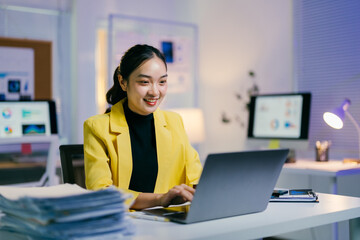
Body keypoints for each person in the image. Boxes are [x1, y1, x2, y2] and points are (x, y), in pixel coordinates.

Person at [83, 44, 203, 210]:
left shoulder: (174, 122)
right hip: (124, 223)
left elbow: (196, 178)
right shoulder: (97, 127)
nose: (154, 92)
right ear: (123, 82)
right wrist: (160, 199)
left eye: (162, 82)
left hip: (169, 224)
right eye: (145, 82)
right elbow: (101, 192)